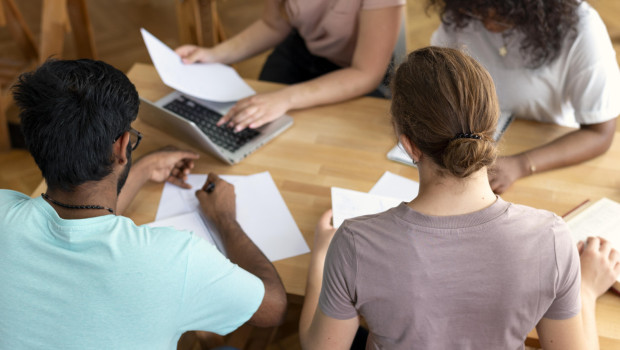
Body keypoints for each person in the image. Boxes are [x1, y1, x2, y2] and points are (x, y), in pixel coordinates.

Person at [298, 47, 620, 349]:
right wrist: (586, 292)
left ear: (408, 145)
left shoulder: (354, 244)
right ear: (492, 129)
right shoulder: (550, 237)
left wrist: (321, 260)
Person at [0, 59, 286, 348]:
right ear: (122, 145)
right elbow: (272, 308)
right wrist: (225, 218)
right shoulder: (175, 258)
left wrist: (145, 168)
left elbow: (81, 220)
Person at [429, 0, 620, 193]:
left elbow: (600, 133)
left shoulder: (581, 28)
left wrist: (521, 164)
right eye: (479, 11)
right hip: (477, 151)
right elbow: (438, 88)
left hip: (547, 158)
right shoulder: (463, 14)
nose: (488, 23)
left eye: (500, 14)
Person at [175, 0, 405, 132]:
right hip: (300, 50)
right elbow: (273, 25)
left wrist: (286, 98)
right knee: (251, 126)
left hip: (356, 74)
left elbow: (366, 73)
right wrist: (215, 54)